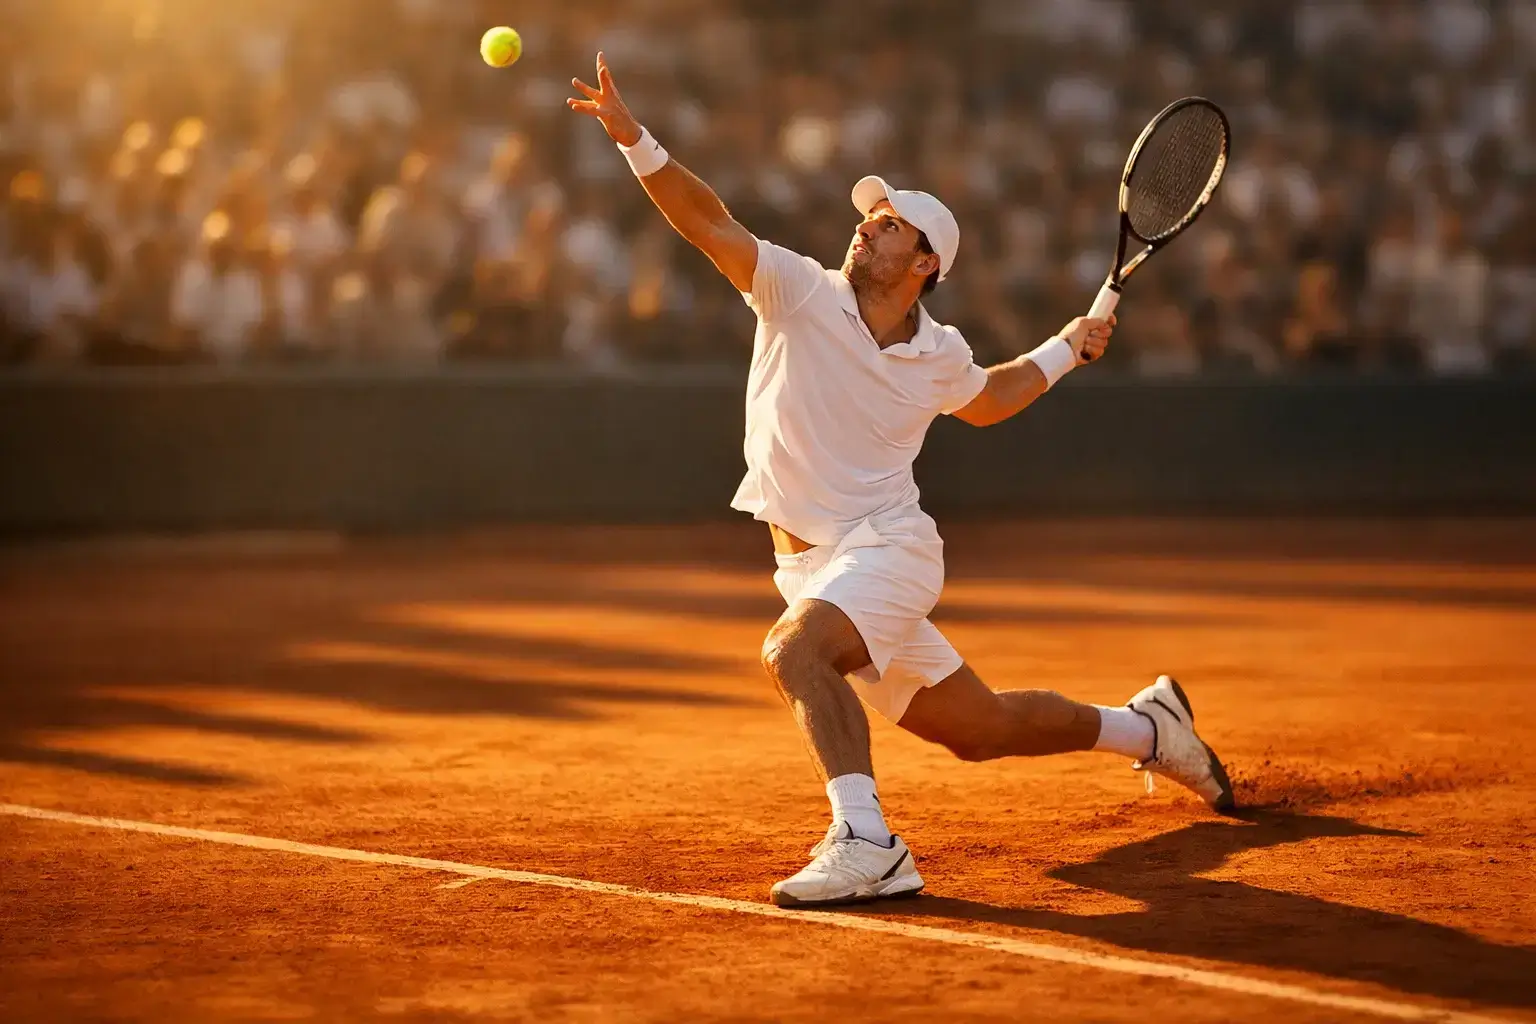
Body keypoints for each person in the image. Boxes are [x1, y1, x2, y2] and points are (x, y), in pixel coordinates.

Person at [568, 54, 1235, 908]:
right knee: (980, 728)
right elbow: (709, 222)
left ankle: (869, 842)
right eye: (868, 218)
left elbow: (989, 397)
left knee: (795, 651)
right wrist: (637, 140)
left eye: (888, 226)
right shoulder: (799, 293)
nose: (865, 228)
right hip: (812, 567)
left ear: (926, 264)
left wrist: (1067, 349)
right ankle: (1151, 729)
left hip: (890, 549)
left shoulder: (939, 352)